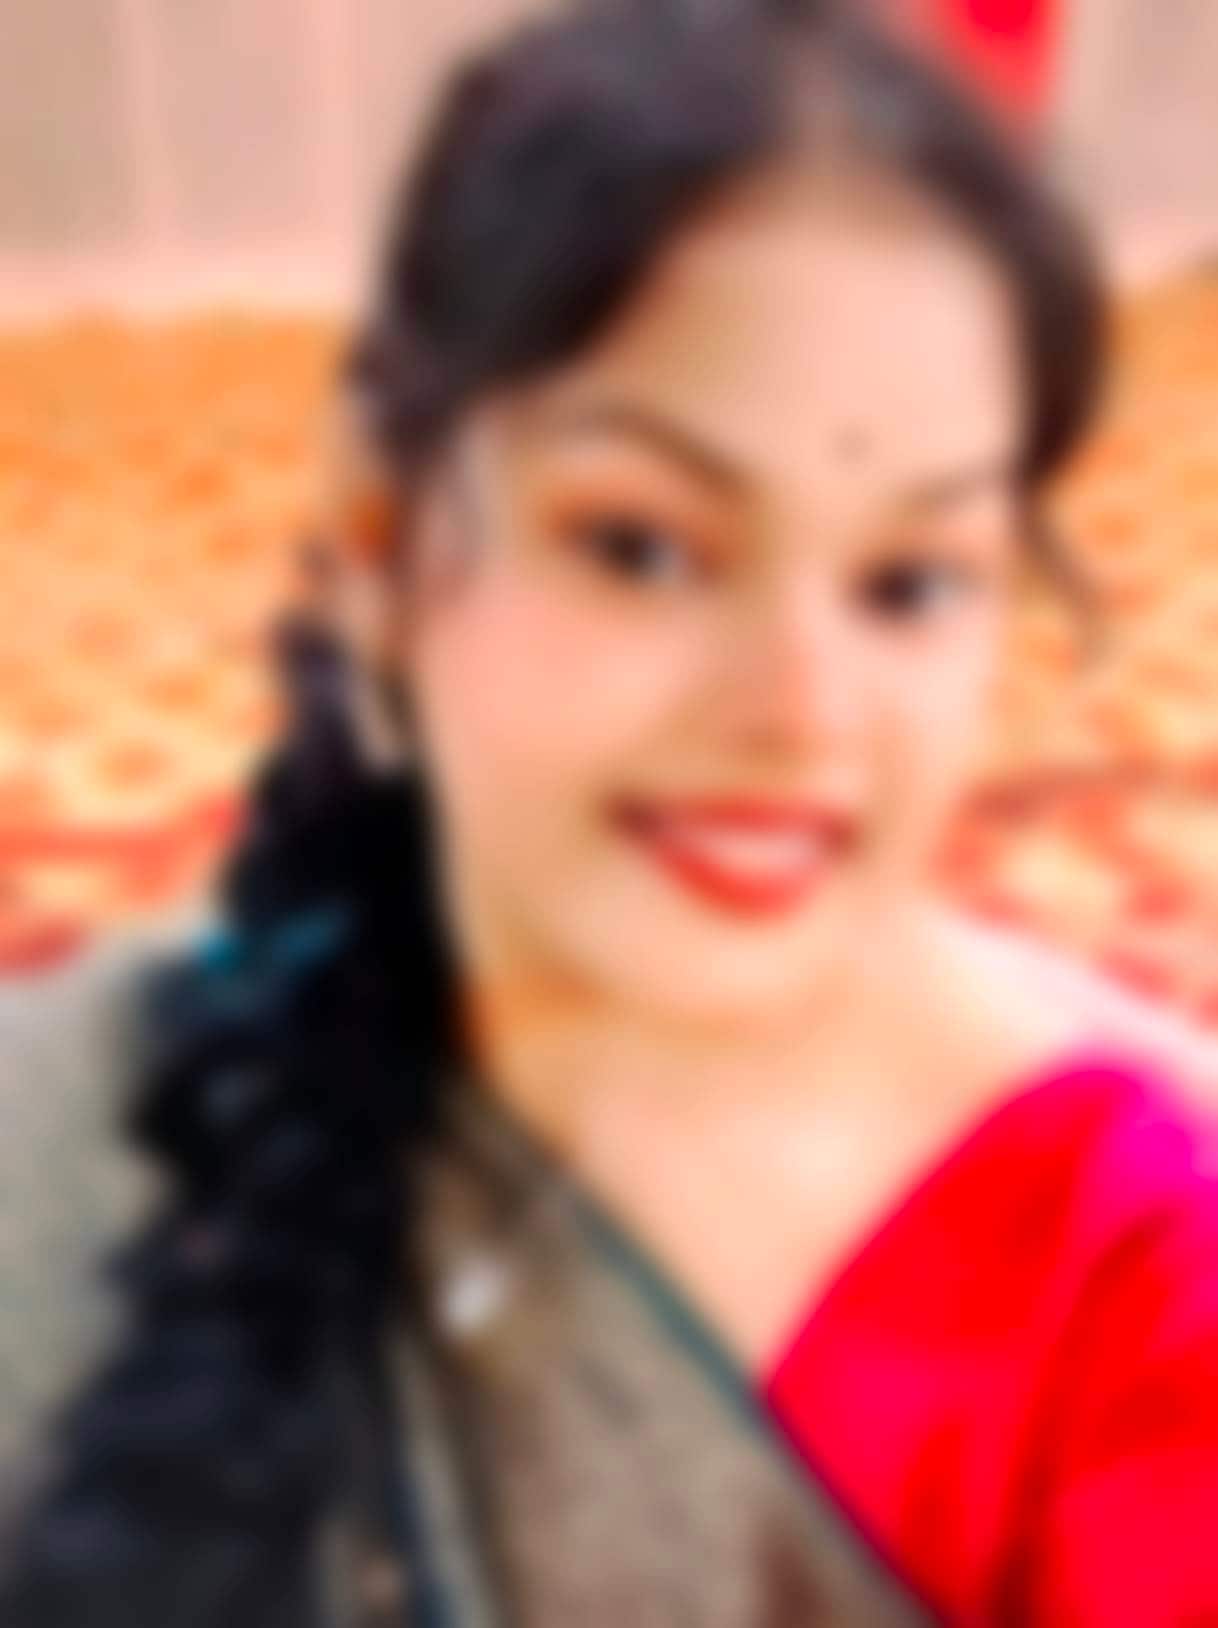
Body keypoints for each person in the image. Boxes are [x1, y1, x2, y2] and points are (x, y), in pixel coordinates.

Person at [3, 1, 1218, 1623]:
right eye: (642, 547)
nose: (800, 710)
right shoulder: (120, 1105)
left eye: (908, 582)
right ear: (378, 537)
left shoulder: (1114, 1286)